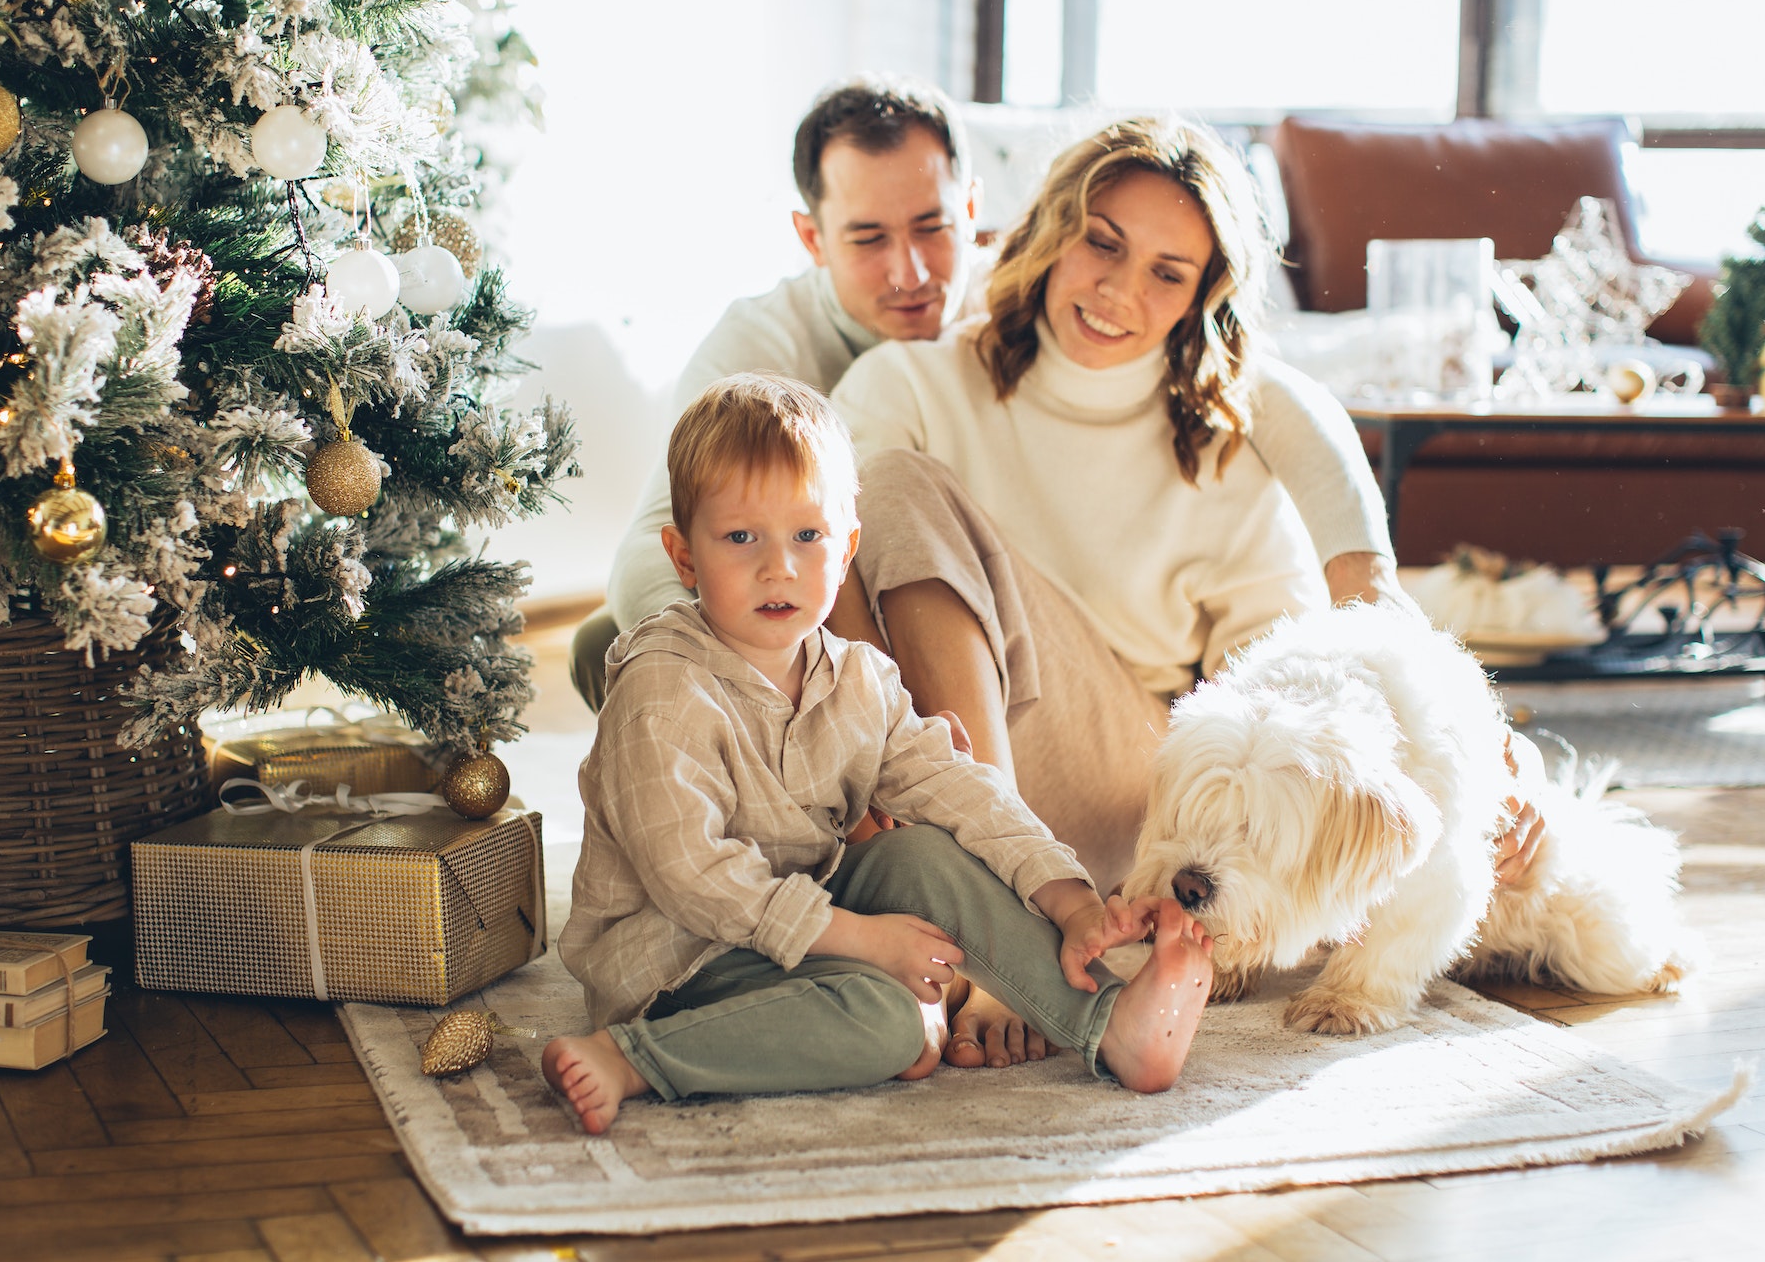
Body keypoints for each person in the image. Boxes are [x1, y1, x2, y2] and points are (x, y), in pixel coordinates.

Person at [824, 118, 1545, 1066]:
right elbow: (815, 551)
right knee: (872, 491)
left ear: (1203, 294)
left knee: (899, 488)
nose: (1122, 291)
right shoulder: (912, 380)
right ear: (1048, 232)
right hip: (932, 759)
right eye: (1103, 243)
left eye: (1169, 272)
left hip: (1133, 797)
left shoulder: (1222, 439)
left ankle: (998, 931)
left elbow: (1286, 694)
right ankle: (970, 908)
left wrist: (1484, 769)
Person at [574, 78, 1405, 712]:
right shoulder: (765, 351)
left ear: (973, 213)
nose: (911, 273)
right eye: (867, 239)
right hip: (818, 612)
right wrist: (770, 686)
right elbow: (658, 546)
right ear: (811, 238)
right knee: (608, 643)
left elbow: (1270, 395)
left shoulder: (1031, 303)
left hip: (1014, 666)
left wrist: (1375, 602)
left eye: (933, 228)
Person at [545, 374, 1216, 1134]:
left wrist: (1069, 897)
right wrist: (861, 940)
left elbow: (961, 788)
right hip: (680, 959)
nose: (780, 568)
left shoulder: (858, 678)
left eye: (808, 536)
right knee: (891, 1024)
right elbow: (696, 880)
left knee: (926, 853)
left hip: (808, 914)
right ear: (683, 556)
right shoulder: (663, 687)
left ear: (847, 547)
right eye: (741, 538)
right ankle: (635, 1057)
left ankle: (1108, 1022)